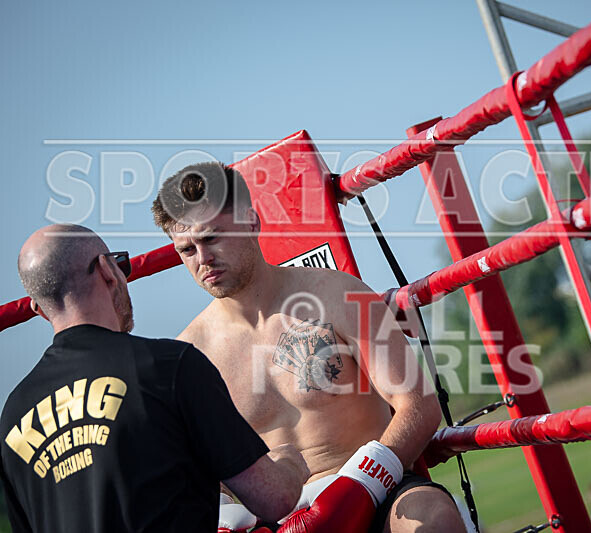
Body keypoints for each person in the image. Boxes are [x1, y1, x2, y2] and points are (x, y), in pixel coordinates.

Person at [151, 162, 466, 533]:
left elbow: (418, 404)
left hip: (378, 490)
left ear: (252, 222)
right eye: (187, 249)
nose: (203, 260)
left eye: (212, 238)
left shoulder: (338, 294)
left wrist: (362, 487)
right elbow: (200, 475)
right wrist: (222, 515)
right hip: (274, 522)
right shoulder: (189, 354)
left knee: (432, 518)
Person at [1, 224, 309, 533]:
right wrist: (290, 462)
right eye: (120, 264)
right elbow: (274, 500)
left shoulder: (11, 416)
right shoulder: (168, 367)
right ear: (108, 270)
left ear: (39, 310)